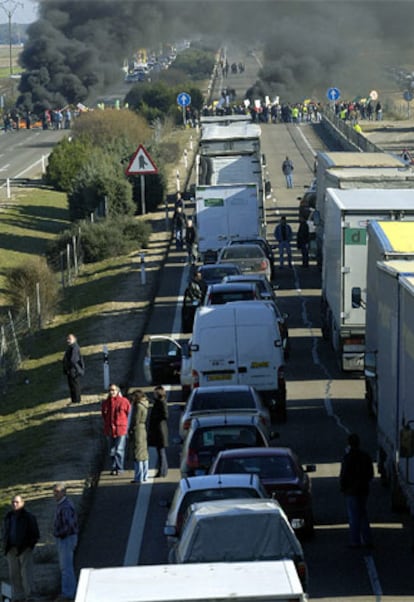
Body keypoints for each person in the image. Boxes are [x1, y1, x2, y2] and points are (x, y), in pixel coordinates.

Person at [339, 433, 374, 548]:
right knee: (363, 514)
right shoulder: (365, 456)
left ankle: (355, 541)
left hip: (351, 491)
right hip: (363, 490)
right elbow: (370, 473)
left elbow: (343, 474)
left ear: (349, 443)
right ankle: (367, 539)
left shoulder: (348, 457)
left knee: (353, 516)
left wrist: (343, 487)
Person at [3, 495, 40, 602]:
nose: (15, 504)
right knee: (14, 574)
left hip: (24, 549)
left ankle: (30, 596)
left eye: (17, 502)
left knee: (26, 573)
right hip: (11, 549)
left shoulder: (29, 517)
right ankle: (18, 596)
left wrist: (29, 546)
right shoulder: (8, 516)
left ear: (22, 503)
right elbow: (5, 531)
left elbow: (35, 533)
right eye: (13, 502)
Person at [53, 483, 79, 601]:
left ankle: (68, 593)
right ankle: (68, 591)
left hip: (66, 539)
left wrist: (58, 533)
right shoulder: (62, 505)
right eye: (54, 491)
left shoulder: (65, 506)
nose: (55, 494)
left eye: (57, 491)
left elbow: (68, 526)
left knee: (66, 567)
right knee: (66, 567)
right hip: (66, 538)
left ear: (64, 492)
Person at [101, 384, 131, 475]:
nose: (111, 392)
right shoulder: (105, 403)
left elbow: (129, 414)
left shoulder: (124, 401)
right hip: (109, 430)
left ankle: (120, 468)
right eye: (110, 390)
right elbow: (104, 415)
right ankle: (113, 467)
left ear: (117, 391)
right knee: (111, 451)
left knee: (119, 450)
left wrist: (126, 426)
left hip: (120, 429)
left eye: (113, 390)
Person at [148, 386, 169, 478]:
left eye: (155, 393)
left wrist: (156, 418)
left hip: (160, 431)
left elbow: (165, 415)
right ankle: (163, 470)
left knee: (161, 452)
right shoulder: (158, 402)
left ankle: (162, 471)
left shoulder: (161, 402)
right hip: (158, 430)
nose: (154, 394)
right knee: (160, 452)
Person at [129, 390, 149, 484]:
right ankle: (145, 475)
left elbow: (135, 419)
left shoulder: (138, 406)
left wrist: (131, 429)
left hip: (138, 430)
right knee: (144, 453)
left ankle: (139, 476)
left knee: (137, 454)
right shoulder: (145, 404)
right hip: (143, 428)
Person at [62, 333, 85, 404]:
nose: (68, 340)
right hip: (71, 370)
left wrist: (71, 366)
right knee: (72, 385)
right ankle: (74, 400)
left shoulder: (75, 347)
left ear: (74, 339)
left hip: (74, 370)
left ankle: (77, 400)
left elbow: (73, 359)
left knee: (75, 386)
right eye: (67, 339)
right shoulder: (71, 347)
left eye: (70, 339)